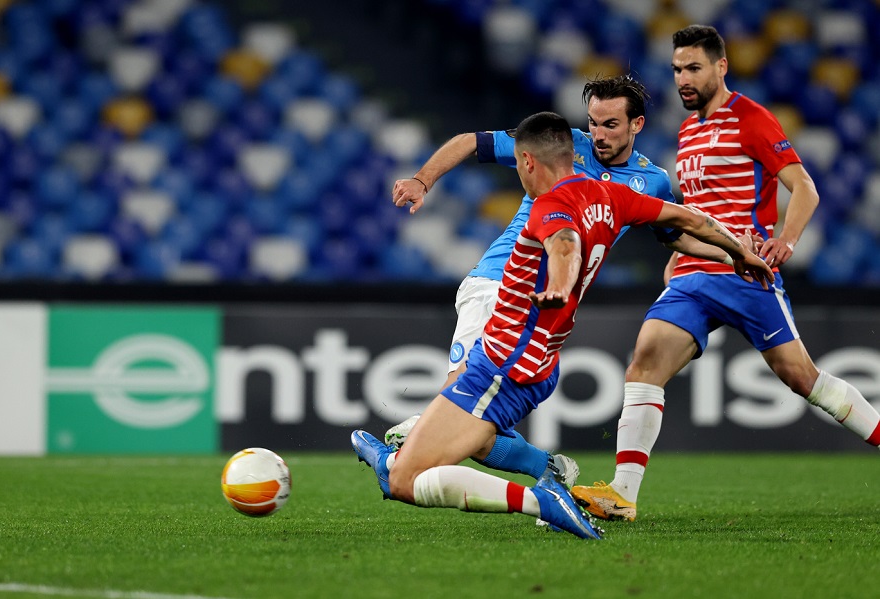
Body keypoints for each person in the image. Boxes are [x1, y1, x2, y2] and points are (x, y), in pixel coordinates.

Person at [351, 110, 774, 540]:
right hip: (540, 361)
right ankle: (533, 467)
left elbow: (564, 245)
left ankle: (539, 498)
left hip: (503, 358)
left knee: (404, 480)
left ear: (528, 162)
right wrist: (737, 252)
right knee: (462, 443)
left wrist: (558, 284)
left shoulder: (548, 206)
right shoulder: (614, 196)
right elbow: (692, 220)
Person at [571, 25, 880, 523]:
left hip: (745, 272)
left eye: (694, 67)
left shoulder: (751, 118)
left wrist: (786, 240)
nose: (683, 78)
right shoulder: (688, 130)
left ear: (721, 67)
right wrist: (678, 253)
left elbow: (804, 187)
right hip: (694, 273)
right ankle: (622, 495)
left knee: (802, 378)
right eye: (677, 69)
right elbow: (697, 207)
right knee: (644, 363)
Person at [384, 75, 735, 490]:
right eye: (593, 122)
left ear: (636, 125)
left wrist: (731, 254)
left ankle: (533, 469)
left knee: (475, 425)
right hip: (497, 284)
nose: (598, 134)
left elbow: (674, 234)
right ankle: (448, 451)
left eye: (610, 125)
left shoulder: (652, 181)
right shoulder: (559, 146)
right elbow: (468, 142)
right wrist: (422, 180)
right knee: (465, 401)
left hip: (547, 309)